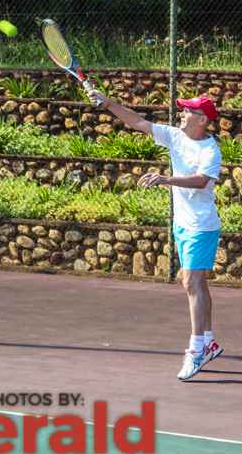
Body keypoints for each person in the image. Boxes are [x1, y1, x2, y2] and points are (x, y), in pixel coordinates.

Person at [86, 87, 223, 381]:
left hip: (201, 226)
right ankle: (209, 342)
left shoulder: (211, 151)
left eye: (188, 111)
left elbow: (201, 181)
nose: (181, 114)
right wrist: (108, 103)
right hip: (183, 224)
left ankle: (196, 350)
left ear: (203, 120)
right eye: (182, 109)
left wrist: (165, 179)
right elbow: (137, 121)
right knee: (198, 285)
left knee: (190, 283)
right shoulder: (174, 135)